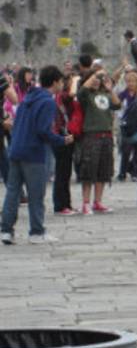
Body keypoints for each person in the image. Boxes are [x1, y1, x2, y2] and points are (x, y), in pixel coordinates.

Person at [1, 65, 74, 244]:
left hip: (16, 149)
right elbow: (43, 130)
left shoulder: (28, 98)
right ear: (56, 82)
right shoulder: (48, 102)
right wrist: (61, 140)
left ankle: (6, 230)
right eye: (61, 82)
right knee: (36, 194)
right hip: (33, 152)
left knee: (13, 192)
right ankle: (36, 232)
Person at [78, 66, 122, 214]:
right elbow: (82, 89)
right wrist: (96, 73)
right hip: (92, 135)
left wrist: (110, 89)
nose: (97, 81)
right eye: (94, 79)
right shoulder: (86, 95)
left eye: (99, 79)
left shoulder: (105, 93)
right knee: (88, 170)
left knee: (104, 170)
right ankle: (85, 203)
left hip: (107, 136)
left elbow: (117, 104)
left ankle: (98, 201)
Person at [52, 73, 78, 215]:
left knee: (65, 172)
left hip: (65, 135)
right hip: (61, 136)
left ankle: (66, 204)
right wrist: (75, 79)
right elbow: (72, 94)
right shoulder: (61, 96)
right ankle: (60, 205)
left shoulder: (60, 97)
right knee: (62, 172)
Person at [116, 70, 137, 181]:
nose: (130, 83)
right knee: (126, 149)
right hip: (126, 124)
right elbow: (117, 105)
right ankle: (122, 173)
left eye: (133, 81)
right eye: (128, 81)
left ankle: (135, 172)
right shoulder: (123, 94)